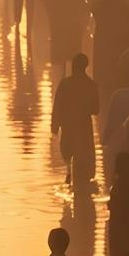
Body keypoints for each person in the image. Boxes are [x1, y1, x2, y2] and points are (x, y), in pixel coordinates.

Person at [51, 53, 100, 192]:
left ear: (73, 66)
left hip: (68, 125)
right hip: (84, 126)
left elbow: (57, 106)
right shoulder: (91, 85)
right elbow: (96, 110)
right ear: (86, 66)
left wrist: (55, 126)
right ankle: (83, 183)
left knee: (68, 152)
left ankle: (69, 174)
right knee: (84, 155)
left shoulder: (65, 84)